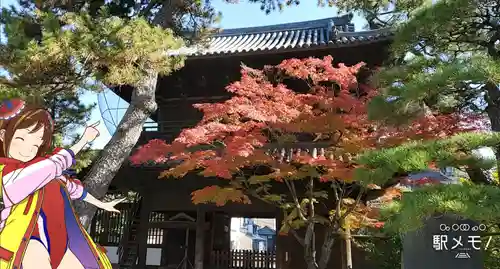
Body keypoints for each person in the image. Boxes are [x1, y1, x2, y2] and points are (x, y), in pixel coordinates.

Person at [0, 99, 123, 269]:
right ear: (3, 136)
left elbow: (74, 189)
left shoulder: (45, 172)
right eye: (21, 138)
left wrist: (103, 204)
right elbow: (51, 166)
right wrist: (82, 141)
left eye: (36, 143)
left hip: (59, 240)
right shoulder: (8, 174)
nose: (28, 149)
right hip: (26, 239)